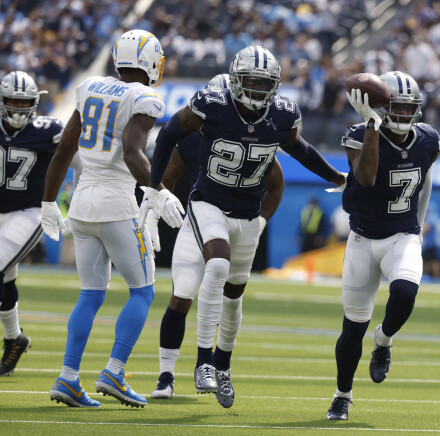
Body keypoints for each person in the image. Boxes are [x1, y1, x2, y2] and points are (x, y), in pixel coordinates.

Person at [140, 45, 346, 409]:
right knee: (199, 279)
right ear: (233, 81)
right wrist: (154, 194)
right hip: (206, 206)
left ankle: (222, 365)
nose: (255, 89)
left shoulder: (281, 116)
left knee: (233, 297)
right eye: (249, 81)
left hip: (247, 215)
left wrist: (336, 177)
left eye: (262, 82)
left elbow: (297, 154)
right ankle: (190, 366)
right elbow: (168, 139)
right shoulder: (210, 111)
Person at [40, 29, 181, 409]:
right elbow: (134, 153)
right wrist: (157, 190)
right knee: (143, 290)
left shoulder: (91, 87)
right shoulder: (144, 97)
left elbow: (64, 150)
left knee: (90, 294)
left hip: (82, 202)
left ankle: (68, 377)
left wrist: (49, 202)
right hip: (117, 202)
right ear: (151, 62)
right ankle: (114, 372)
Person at [150, 74, 285, 401]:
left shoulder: (251, 137)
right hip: (200, 220)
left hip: (240, 222)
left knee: (232, 296)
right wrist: (158, 203)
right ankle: (168, 375)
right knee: (182, 294)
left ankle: (220, 366)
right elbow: (166, 178)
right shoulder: (191, 136)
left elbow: (276, 183)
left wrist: (261, 222)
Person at [327, 71, 440, 421]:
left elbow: (425, 181)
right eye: (398, 108)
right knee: (352, 328)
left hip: (401, 234)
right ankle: (342, 395)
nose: (405, 115)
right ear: (380, 105)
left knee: (405, 292)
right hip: (362, 238)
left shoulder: (428, 140)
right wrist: (373, 126)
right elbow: (367, 176)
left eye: (410, 108)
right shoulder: (358, 135)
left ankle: (385, 339)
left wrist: (417, 229)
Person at [0, 71, 64, 376]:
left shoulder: (46, 130)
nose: (17, 107)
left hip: (28, 212)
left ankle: (14, 339)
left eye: (24, 102)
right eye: (12, 100)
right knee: (6, 278)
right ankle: (14, 338)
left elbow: (73, 157)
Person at [422, 203, 440, 280]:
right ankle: (429, 278)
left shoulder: (431, 217)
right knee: (428, 262)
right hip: (434, 244)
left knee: (432, 262)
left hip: (431, 244)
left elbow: (426, 229)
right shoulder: (435, 216)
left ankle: (435, 278)